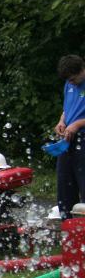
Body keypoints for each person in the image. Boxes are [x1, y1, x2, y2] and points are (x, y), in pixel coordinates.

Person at [54, 54, 85, 219]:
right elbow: (67, 108)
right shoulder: (69, 84)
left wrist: (77, 124)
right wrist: (62, 121)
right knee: (64, 186)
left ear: (82, 69)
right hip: (68, 140)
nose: (71, 83)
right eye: (68, 81)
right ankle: (67, 226)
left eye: (73, 79)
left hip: (83, 140)